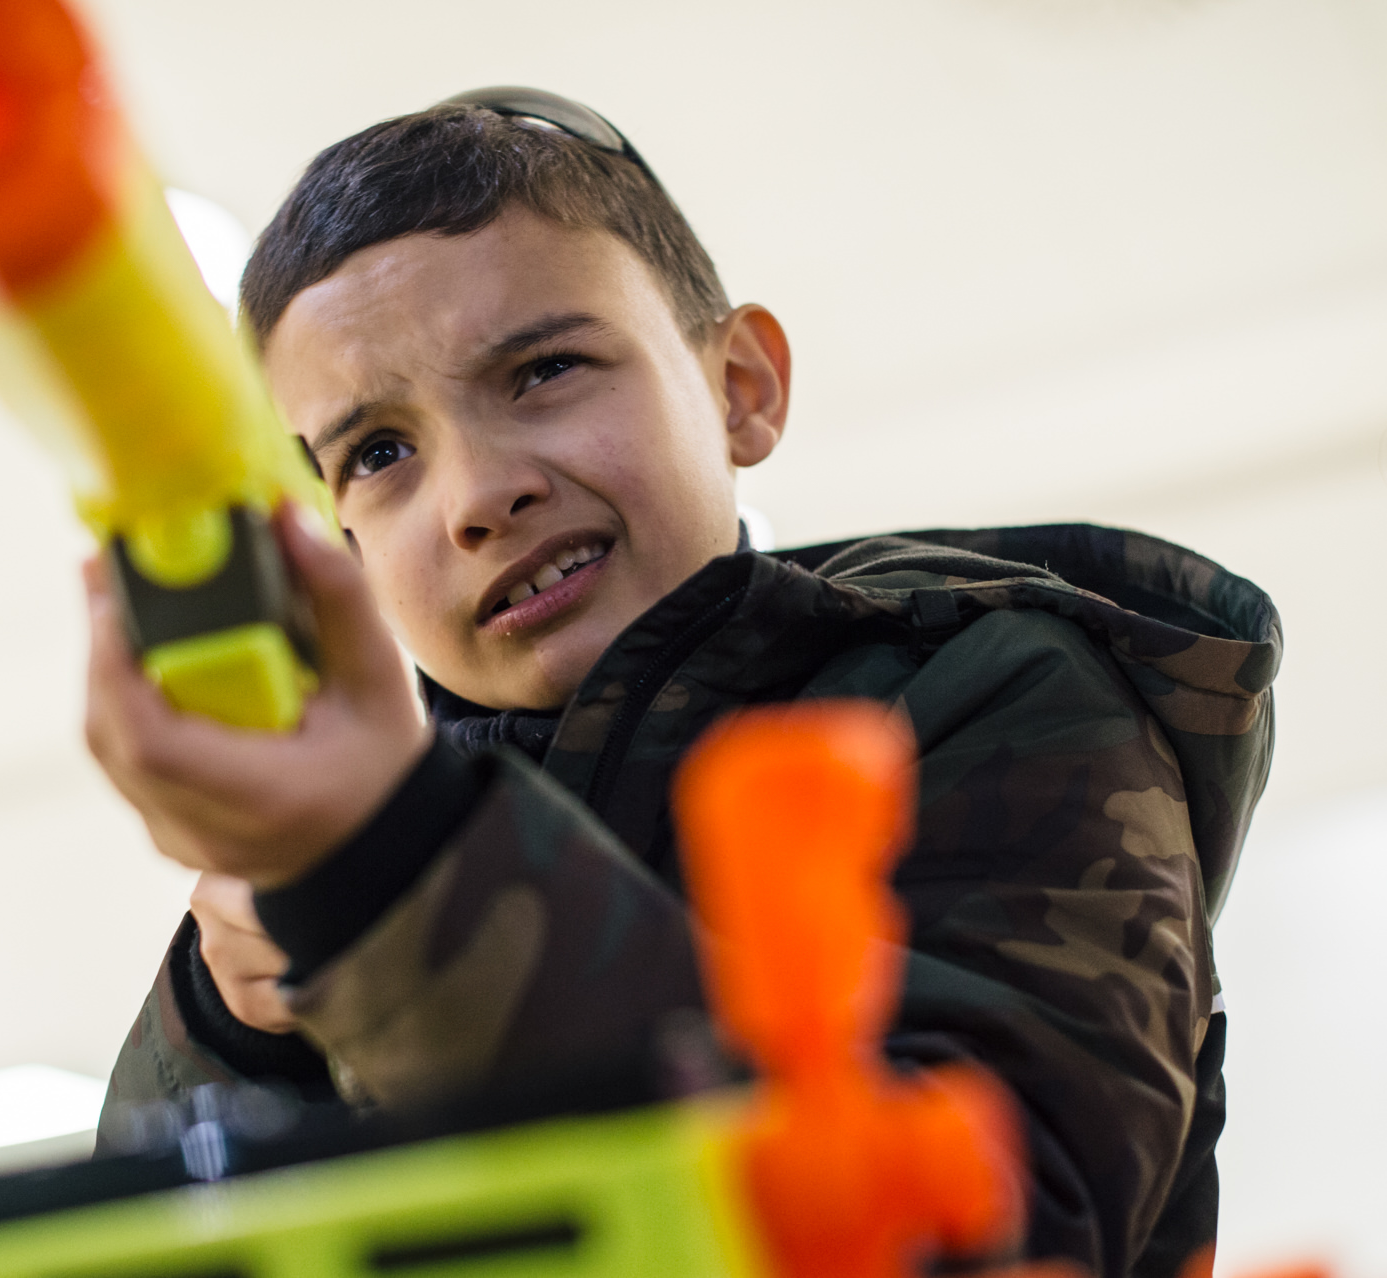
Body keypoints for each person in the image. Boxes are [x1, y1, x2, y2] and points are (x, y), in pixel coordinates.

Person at [81, 90, 1279, 1277]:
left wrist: (392, 888)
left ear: (739, 389)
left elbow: (968, 1239)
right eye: (379, 454)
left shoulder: (990, 690)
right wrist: (231, 1018)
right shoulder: (377, 835)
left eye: (544, 370)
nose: (477, 496)